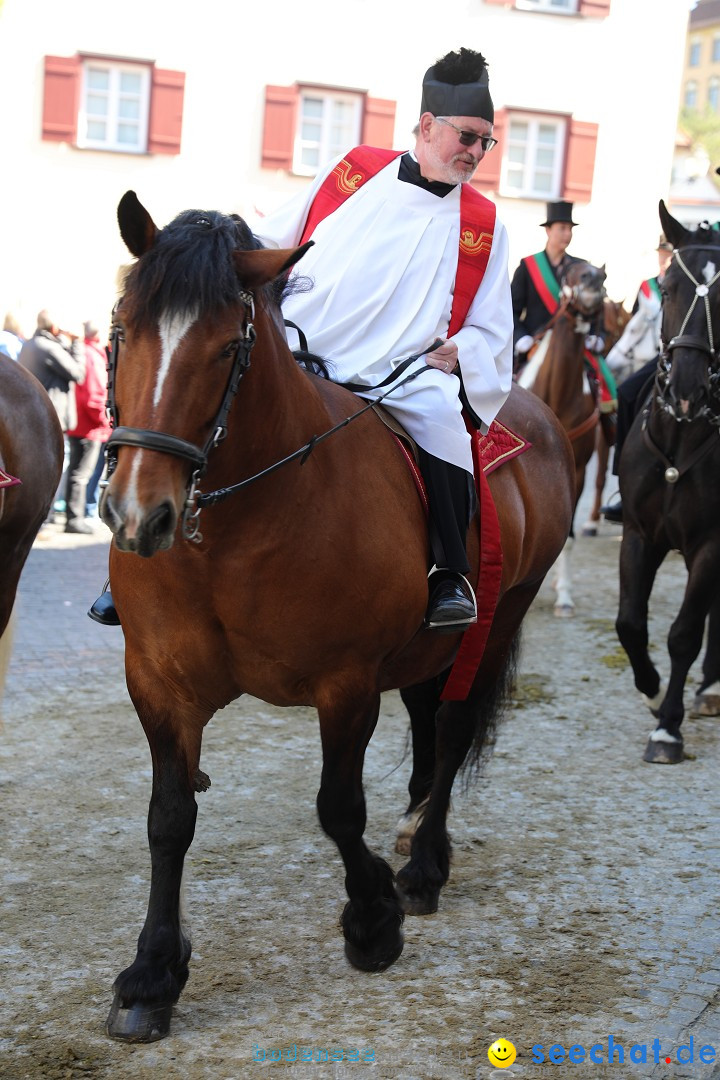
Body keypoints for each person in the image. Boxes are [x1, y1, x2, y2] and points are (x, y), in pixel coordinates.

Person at [90, 48, 514, 631]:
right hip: (299, 350)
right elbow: (274, 232)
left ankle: (448, 575)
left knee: (447, 427)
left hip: (401, 375)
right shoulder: (355, 168)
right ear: (426, 126)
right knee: (205, 408)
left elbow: (493, 325)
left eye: (485, 143)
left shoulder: (486, 226)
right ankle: (133, 565)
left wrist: (460, 349)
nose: (475, 152)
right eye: (467, 136)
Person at [601, 235, 673, 524]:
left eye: (669, 253)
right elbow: (633, 326)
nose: (664, 258)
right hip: (653, 357)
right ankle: (625, 483)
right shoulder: (647, 286)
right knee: (627, 393)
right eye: (661, 253)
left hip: (682, 354)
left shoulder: (691, 280)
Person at [63, 321, 112, 534]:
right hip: (90, 426)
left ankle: (75, 516)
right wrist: (105, 420)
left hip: (82, 424)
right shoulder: (92, 354)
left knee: (78, 473)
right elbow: (94, 395)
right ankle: (75, 518)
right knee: (82, 474)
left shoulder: (86, 352)